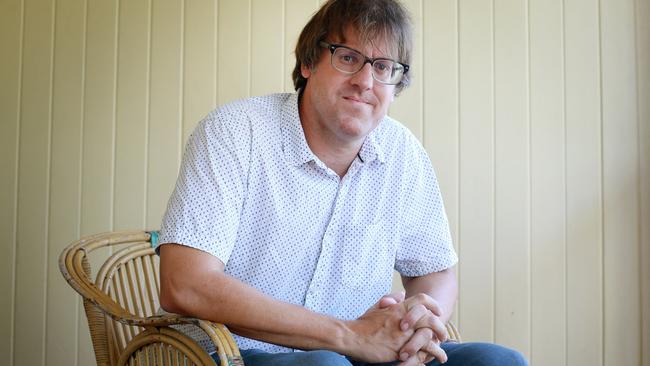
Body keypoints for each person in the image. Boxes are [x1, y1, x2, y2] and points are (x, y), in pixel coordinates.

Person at [157, 0, 528, 365]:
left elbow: (436, 272)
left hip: (368, 354)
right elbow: (184, 283)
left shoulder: (403, 153)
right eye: (348, 57)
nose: (365, 82)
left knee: (499, 360)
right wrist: (351, 336)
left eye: (383, 67)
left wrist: (420, 329)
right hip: (238, 353)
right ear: (308, 62)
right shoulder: (235, 132)